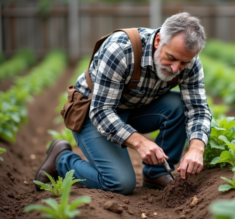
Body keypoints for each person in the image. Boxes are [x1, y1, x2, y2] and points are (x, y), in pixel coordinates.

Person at [35, 12, 212, 195]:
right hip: (93, 112)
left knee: (179, 105)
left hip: (132, 109)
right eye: (172, 58)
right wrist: (140, 142)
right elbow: (101, 111)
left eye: (184, 62)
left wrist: (197, 148)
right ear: (158, 40)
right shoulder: (120, 49)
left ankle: (156, 174)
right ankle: (61, 160)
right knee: (119, 183)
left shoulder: (188, 61)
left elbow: (198, 109)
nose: (176, 68)